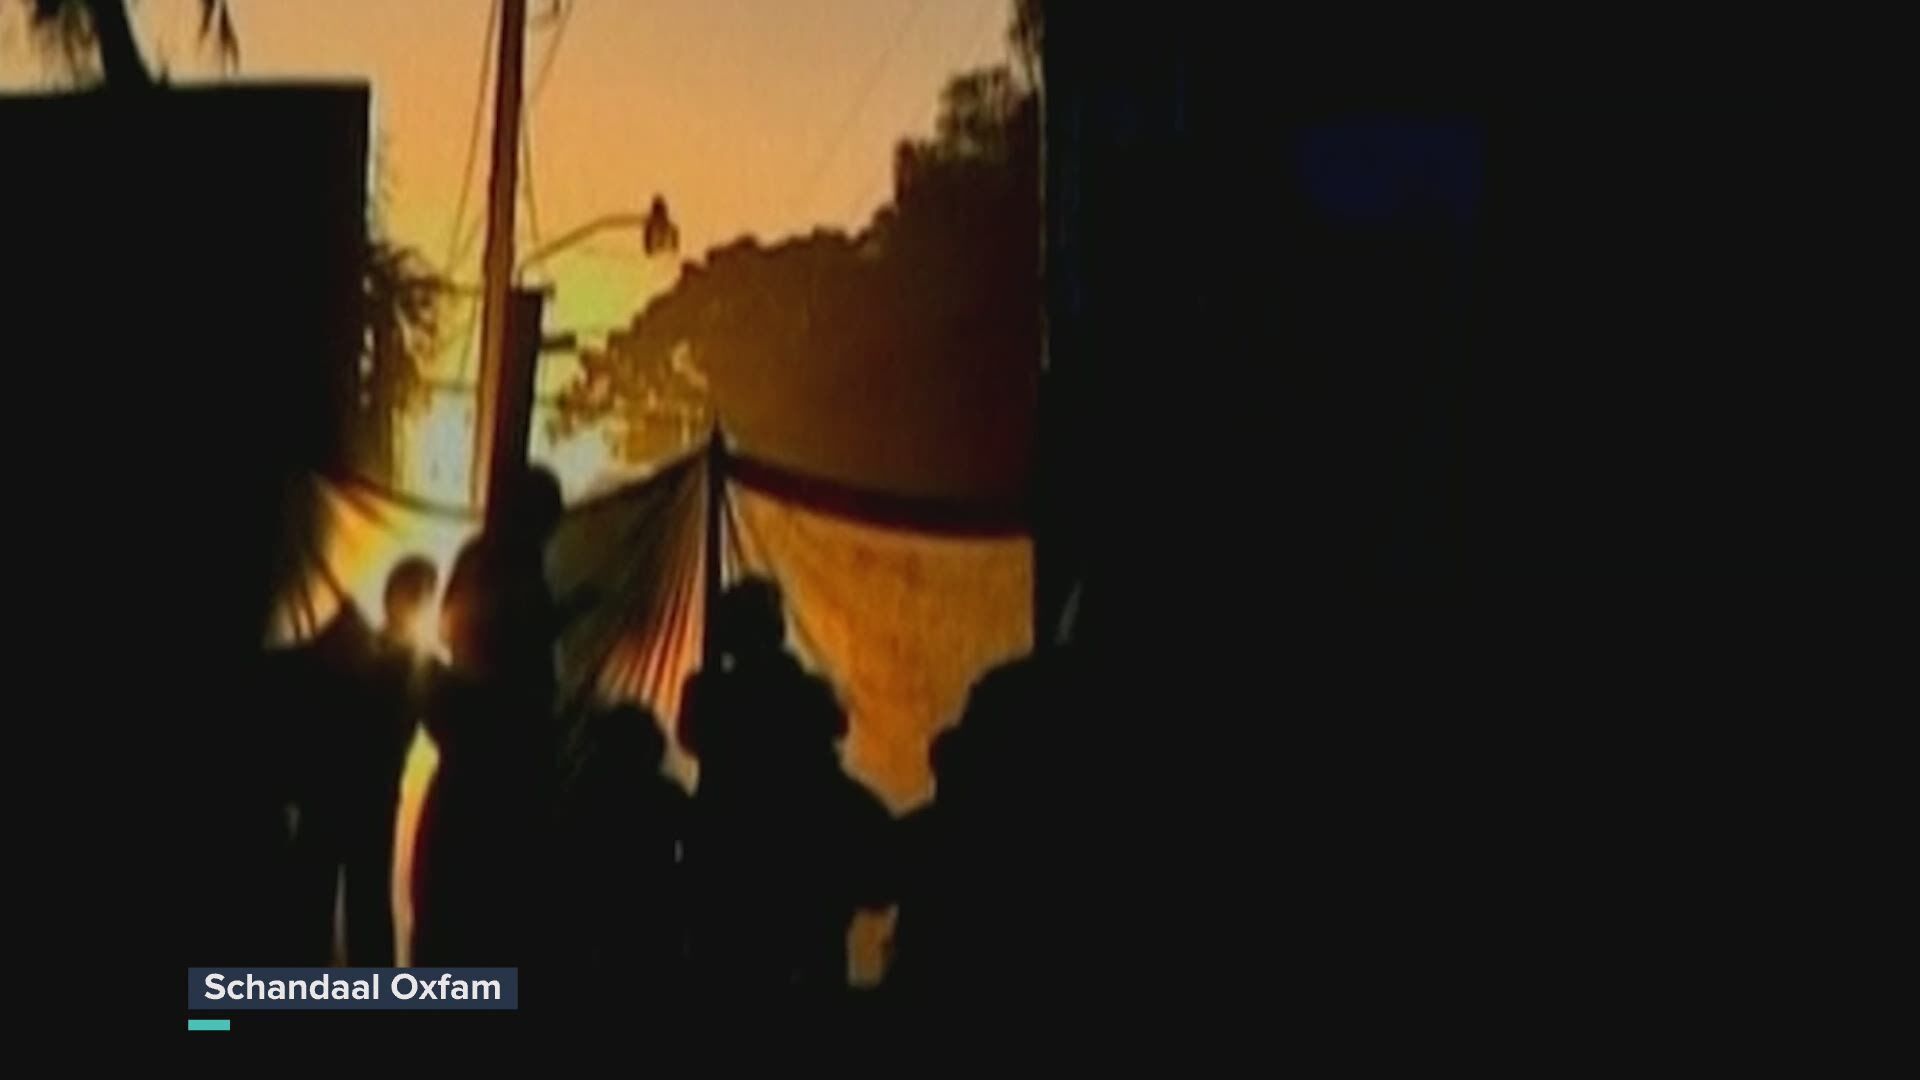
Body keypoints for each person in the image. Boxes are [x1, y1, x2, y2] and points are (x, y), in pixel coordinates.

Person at [678, 578, 887, 992]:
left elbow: (695, 738)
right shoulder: (804, 691)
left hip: (737, 859)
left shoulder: (714, 693)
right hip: (800, 859)